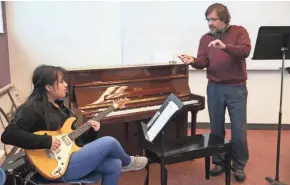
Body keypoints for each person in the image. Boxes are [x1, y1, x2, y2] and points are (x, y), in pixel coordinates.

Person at [1, 64, 148, 185]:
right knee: (109, 141)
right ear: (49, 87)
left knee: (114, 164)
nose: (66, 85)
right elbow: (8, 135)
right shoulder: (31, 108)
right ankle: (128, 162)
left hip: (70, 156)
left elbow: (75, 140)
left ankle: (124, 163)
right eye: (61, 81)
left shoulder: (60, 107)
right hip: (55, 166)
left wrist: (91, 131)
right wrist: (47, 141)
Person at [178, 3, 251, 182]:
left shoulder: (239, 31)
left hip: (236, 88)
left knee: (238, 130)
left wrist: (224, 46)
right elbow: (203, 61)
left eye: (214, 19)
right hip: (214, 88)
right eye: (208, 19)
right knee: (216, 128)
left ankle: (239, 165)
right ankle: (219, 162)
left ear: (224, 19)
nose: (210, 23)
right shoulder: (205, 38)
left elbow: (245, 51)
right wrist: (192, 60)